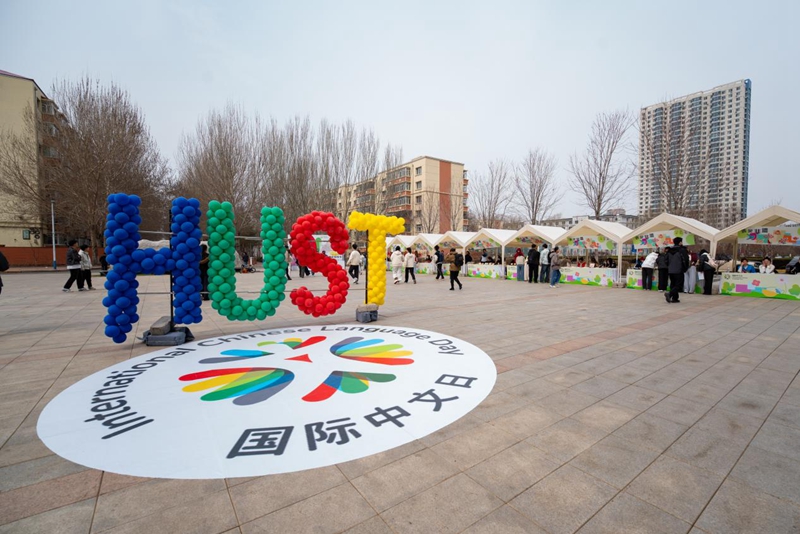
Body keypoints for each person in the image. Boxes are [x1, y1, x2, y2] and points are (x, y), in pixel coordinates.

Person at [666, 237, 690, 303]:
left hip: (671, 270)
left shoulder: (669, 250)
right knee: (679, 285)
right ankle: (670, 294)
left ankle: (675, 298)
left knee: (673, 284)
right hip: (679, 270)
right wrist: (685, 268)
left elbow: (666, 260)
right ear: (680, 242)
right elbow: (686, 260)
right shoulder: (682, 250)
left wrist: (669, 267)